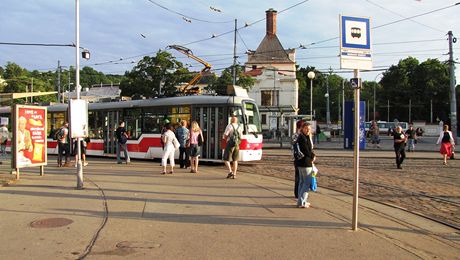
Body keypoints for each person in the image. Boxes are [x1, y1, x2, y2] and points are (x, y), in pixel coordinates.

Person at [295, 122, 315, 208]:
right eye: (306, 128)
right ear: (302, 128)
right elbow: (306, 150)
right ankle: (302, 202)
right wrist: (313, 156)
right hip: (305, 163)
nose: (308, 130)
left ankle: (301, 201)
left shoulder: (302, 137)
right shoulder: (303, 138)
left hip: (300, 163)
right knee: (306, 183)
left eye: (309, 129)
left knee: (302, 182)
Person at [291, 120, 304, 198]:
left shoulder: (295, 135)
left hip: (296, 157)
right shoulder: (297, 135)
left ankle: (298, 192)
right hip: (299, 158)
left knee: (299, 176)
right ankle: (298, 193)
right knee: (299, 176)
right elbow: (296, 147)